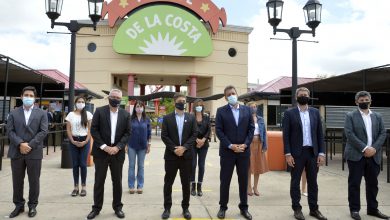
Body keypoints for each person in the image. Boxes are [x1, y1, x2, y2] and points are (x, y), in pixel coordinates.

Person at [282, 87, 327, 220]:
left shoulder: (315, 112)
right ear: (296, 97)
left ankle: (314, 209)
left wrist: (321, 153)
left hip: (312, 153)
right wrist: (288, 154)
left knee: (313, 182)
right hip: (297, 153)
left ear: (309, 97)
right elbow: (286, 136)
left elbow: (320, 134)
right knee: (295, 182)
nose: (303, 96)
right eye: (301, 95)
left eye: (305, 95)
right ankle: (297, 209)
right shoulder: (289, 113)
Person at [86, 89, 131, 219]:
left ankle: (118, 207)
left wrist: (118, 147)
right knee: (99, 181)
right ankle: (96, 208)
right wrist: (105, 147)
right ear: (108, 98)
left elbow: (128, 133)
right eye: (113, 96)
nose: (115, 99)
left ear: (121, 99)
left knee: (117, 181)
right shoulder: (100, 111)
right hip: (101, 153)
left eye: (118, 97)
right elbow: (94, 129)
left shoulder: (125, 114)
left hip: (118, 153)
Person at [344, 91, 389, 220]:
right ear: (356, 102)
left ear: (370, 101)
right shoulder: (350, 116)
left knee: (373, 184)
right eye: (361, 100)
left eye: (366, 99)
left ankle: (372, 209)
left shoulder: (378, 116)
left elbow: (382, 133)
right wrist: (364, 148)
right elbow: (349, 134)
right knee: (354, 184)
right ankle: (355, 210)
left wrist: (374, 148)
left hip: (374, 155)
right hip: (356, 155)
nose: (364, 102)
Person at [6, 86, 48, 218]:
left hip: (34, 152)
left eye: (31, 95)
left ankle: (32, 206)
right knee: (17, 181)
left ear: (34, 98)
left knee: (34, 181)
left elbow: (43, 131)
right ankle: (18, 206)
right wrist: (20, 144)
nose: (28, 97)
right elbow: (10, 131)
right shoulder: (13, 112)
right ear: (21, 96)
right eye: (26, 95)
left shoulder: (42, 113)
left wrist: (29, 145)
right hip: (17, 151)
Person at [215, 85, 254, 220]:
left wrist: (245, 144)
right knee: (225, 181)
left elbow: (251, 129)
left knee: (243, 181)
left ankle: (244, 207)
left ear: (237, 94)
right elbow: (219, 131)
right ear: (226, 98)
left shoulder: (247, 110)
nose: (231, 95)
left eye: (233, 93)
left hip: (243, 152)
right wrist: (231, 145)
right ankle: (223, 207)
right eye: (229, 94)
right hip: (228, 152)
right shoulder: (221, 111)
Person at [161, 93, 197, 220]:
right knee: (168, 183)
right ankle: (167, 208)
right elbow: (164, 136)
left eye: (184, 101)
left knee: (186, 184)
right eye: (180, 100)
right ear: (175, 102)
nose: (183, 103)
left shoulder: (191, 118)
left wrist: (184, 148)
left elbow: (194, 135)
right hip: (171, 156)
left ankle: (185, 208)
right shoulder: (167, 118)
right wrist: (175, 149)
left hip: (186, 156)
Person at [65, 96, 93, 197]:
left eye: (82, 102)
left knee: (83, 164)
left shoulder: (88, 114)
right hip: (73, 141)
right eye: (79, 101)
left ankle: (84, 187)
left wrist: (86, 141)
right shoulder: (70, 114)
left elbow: (90, 129)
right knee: (75, 164)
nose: (80, 103)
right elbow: (68, 129)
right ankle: (76, 187)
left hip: (85, 140)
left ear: (85, 103)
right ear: (75, 103)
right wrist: (72, 140)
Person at [127, 100, 151, 194]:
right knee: (131, 166)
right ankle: (131, 186)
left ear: (143, 108)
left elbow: (149, 133)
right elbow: (127, 132)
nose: (139, 108)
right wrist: (125, 145)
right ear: (134, 108)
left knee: (141, 166)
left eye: (141, 106)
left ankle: (140, 185)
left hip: (143, 146)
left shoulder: (147, 119)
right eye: (137, 106)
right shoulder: (130, 119)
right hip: (131, 145)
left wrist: (149, 145)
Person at [247, 102, 269, 197]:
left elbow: (264, 132)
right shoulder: (246, 119)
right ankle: (248, 187)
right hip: (249, 144)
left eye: (255, 107)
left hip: (259, 143)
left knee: (258, 166)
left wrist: (265, 146)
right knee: (249, 166)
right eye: (251, 107)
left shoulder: (261, 119)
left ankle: (255, 187)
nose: (253, 108)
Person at [190, 99, 211, 197]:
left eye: (201, 105)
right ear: (194, 107)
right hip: (193, 144)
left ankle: (199, 186)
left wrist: (203, 140)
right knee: (193, 164)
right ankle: (193, 186)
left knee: (201, 165)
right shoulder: (191, 117)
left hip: (204, 144)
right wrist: (196, 140)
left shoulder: (206, 117)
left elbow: (208, 130)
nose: (199, 107)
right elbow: (189, 130)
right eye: (197, 105)